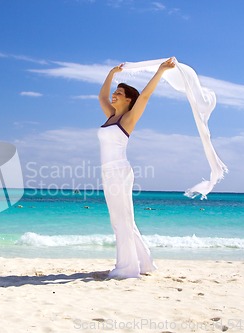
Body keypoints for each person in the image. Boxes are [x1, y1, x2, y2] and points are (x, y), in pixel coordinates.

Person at [98, 57, 176, 279]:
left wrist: (160, 71)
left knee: (120, 219)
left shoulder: (128, 119)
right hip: (108, 172)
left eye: (119, 93)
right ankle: (143, 262)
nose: (114, 95)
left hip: (120, 172)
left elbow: (146, 96)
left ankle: (127, 268)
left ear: (129, 99)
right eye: (116, 92)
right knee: (121, 219)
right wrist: (112, 74)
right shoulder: (111, 117)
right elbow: (101, 96)